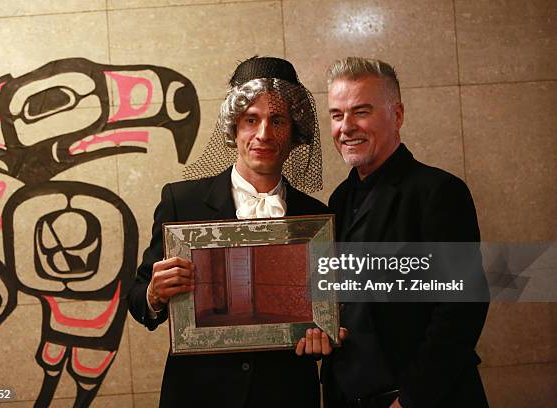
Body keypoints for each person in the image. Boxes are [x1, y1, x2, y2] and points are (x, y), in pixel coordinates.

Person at [128, 56, 327, 408]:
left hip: (286, 395)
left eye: (277, 120)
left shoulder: (318, 218)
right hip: (198, 394)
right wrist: (155, 295)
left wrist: (322, 335)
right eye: (251, 119)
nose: (263, 134)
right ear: (233, 127)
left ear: (295, 133)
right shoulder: (181, 201)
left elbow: (328, 315)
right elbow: (138, 296)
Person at [319, 57, 489, 408]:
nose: (346, 127)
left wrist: (411, 400)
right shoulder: (337, 200)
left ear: (397, 115)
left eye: (361, 112)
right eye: (337, 115)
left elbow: (462, 308)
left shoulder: (438, 191)